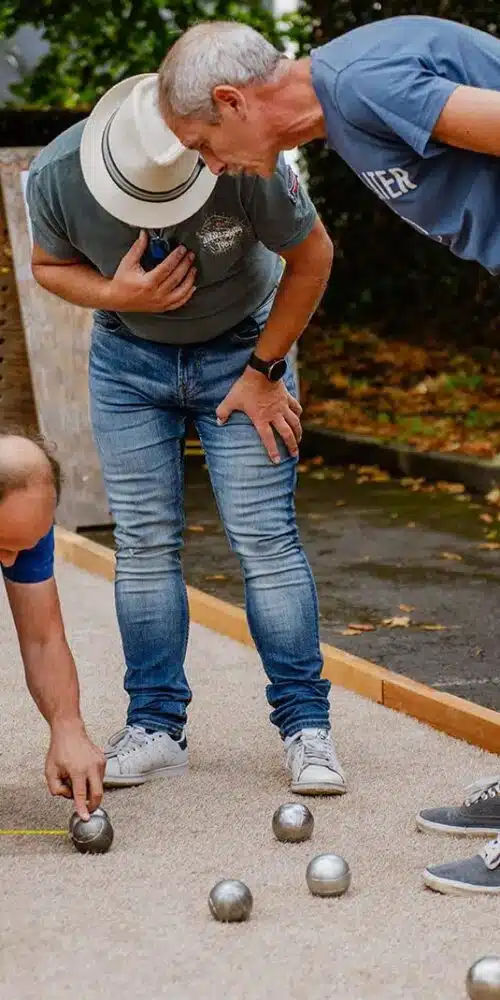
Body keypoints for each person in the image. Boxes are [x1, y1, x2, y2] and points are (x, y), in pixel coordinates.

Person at [158, 14, 500, 893]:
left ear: (234, 101)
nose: (211, 166)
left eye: (203, 143)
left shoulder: (362, 78)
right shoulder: (346, 109)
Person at [26, 72, 346, 798]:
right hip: (127, 363)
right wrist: (114, 293)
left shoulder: (241, 155)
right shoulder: (57, 173)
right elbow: (49, 265)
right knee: (143, 542)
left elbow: (313, 256)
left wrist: (266, 370)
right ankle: (156, 728)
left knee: (265, 539)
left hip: (245, 354)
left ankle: (306, 726)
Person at [0, 431, 105, 819]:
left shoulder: (25, 523)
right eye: (2, 545)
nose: (9, 562)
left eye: (23, 547)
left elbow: (42, 638)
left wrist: (68, 728)